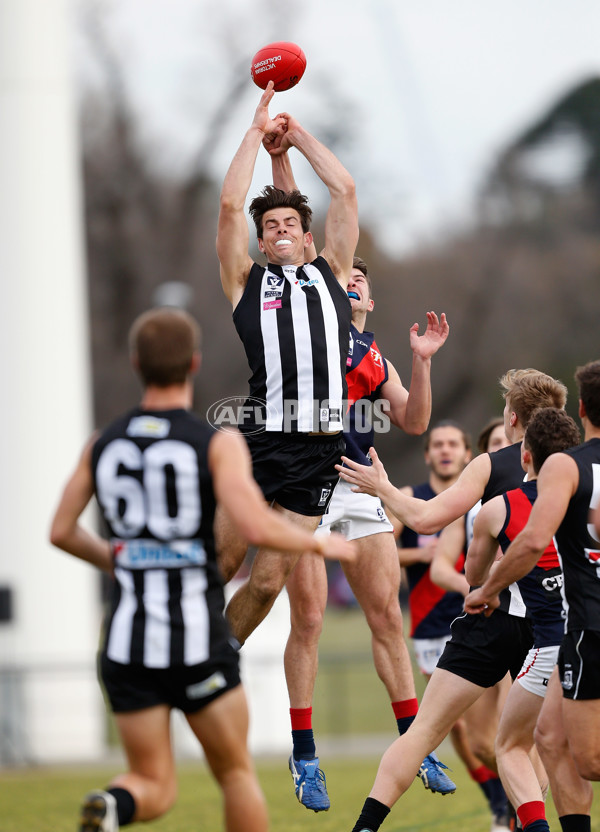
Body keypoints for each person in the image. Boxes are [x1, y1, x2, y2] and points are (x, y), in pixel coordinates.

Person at [49, 307, 355, 832]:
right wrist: (320, 546)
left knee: (152, 783)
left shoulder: (103, 443)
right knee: (236, 774)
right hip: (196, 639)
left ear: (134, 363)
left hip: (128, 639)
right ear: (192, 365)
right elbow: (257, 527)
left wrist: (123, 562)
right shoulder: (217, 443)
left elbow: (61, 531)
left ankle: (114, 805)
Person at [335, 368, 568, 832]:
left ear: (516, 422)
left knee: (424, 732)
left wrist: (381, 487)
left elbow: (425, 520)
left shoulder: (491, 465)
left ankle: (365, 827)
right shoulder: (580, 470)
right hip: (553, 626)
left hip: (493, 614)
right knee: (535, 745)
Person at [215, 81, 359, 811]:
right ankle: (186, 657)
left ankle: (210, 668)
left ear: (306, 238)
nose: (276, 227)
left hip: (316, 452)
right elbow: (224, 208)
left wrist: (293, 135)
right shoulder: (246, 283)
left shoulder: (332, 276)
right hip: (257, 439)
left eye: (286, 221)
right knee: (221, 563)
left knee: (269, 585)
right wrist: (252, 131)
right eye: (267, 220)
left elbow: (345, 188)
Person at [465, 359, 600, 832]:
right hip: (568, 634)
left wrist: (485, 588)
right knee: (548, 739)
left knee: (585, 759)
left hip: (578, 631)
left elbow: (529, 543)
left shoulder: (560, 472)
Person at [398, 421, 511, 831]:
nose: (445, 451)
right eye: (437, 445)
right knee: (465, 734)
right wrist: (421, 556)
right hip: (434, 623)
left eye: (453, 444)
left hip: (498, 621)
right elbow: (384, 553)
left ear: (467, 455)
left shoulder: (511, 494)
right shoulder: (423, 500)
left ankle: (514, 805)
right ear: (427, 454)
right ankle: (502, 798)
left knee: (513, 726)